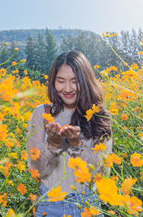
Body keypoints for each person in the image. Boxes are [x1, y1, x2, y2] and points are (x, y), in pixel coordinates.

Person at [26, 51, 112, 217]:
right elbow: (37, 171)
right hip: (49, 206)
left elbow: (101, 174)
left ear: (86, 82)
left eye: (75, 81)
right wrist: (52, 144)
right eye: (61, 81)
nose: (67, 88)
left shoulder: (100, 117)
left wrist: (76, 145)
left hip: (87, 204)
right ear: (53, 82)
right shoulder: (41, 114)